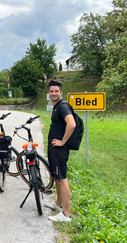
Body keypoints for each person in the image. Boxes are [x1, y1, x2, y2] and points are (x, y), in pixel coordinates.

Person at [45, 80, 76, 222]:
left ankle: (66, 214)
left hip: (59, 149)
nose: (54, 93)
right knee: (57, 177)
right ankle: (58, 204)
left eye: (56, 91)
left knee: (62, 179)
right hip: (54, 148)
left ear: (61, 92)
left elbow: (72, 124)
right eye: (51, 91)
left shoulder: (63, 106)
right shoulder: (56, 106)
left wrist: (62, 141)